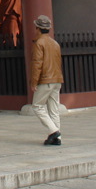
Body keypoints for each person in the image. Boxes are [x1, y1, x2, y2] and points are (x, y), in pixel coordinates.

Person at [29, 14, 64, 145]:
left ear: (37, 28)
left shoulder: (39, 43)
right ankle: (57, 138)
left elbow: (37, 63)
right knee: (54, 109)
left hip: (45, 79)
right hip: (57, 79)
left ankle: (54, 131)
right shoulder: (55, 43)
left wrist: (34, 82)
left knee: (37, 106)